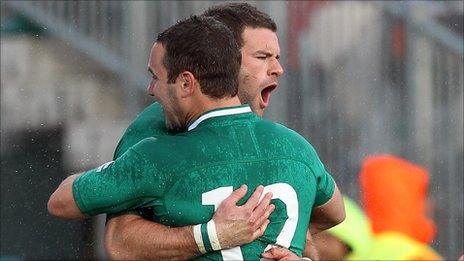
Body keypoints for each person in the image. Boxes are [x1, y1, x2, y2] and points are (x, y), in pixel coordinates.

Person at [48, 14, 345, 260]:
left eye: (277, 57)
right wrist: (214, 235)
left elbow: (62, 201)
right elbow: (120, 240)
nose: (277, 69)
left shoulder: (161, 155)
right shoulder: (157, 126)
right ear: (226, 59)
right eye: (262, 57)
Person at [359, 154, 442, 260]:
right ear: (409, 199)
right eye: (423, 195)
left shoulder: (358, 254)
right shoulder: (418, 256)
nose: (432, 205)